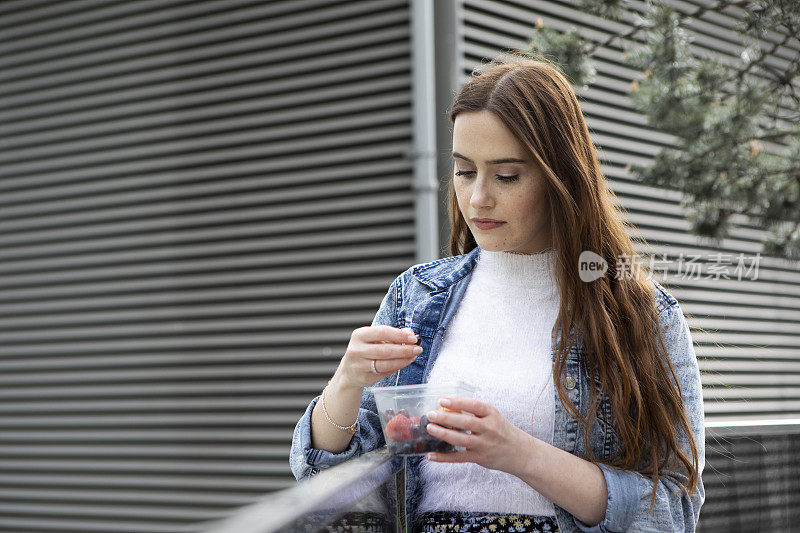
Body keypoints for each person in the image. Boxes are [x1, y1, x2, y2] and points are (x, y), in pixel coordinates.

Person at [290, 52, 705, 533]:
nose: (478, 197)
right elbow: (323, 481)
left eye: (507, 176)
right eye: (465, 172)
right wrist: (346, 380)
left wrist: (517, 452)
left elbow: (673, 511)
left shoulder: (640, 315)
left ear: (561, 177)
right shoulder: (416, 297)